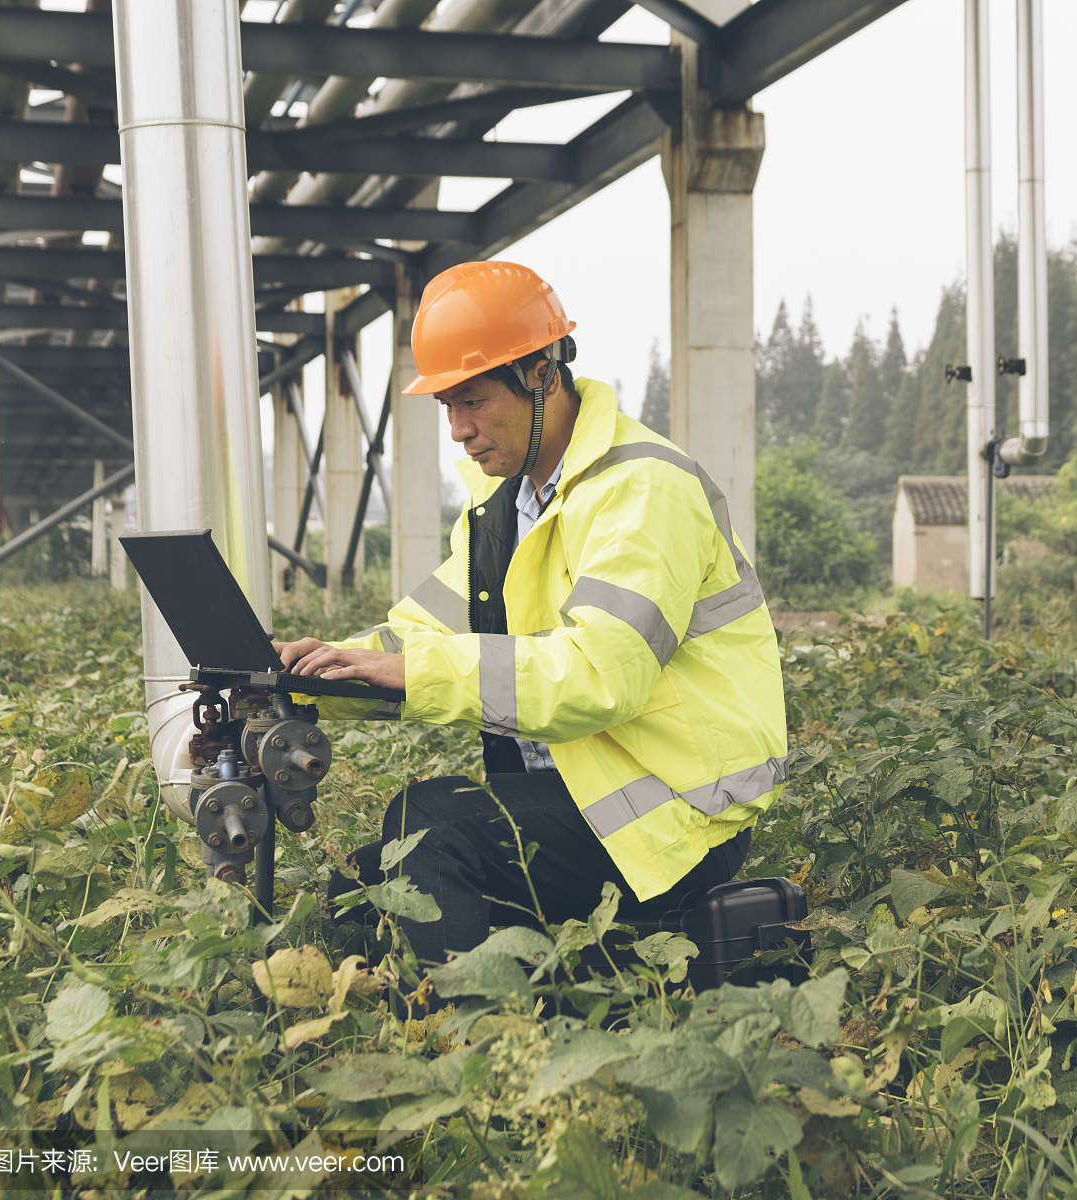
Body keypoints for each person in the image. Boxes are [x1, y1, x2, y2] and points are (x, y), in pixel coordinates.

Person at [277, 260, 787, 969]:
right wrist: (303, 677)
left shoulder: (642, 490)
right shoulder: (505, 506)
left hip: (672, 815)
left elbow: (598, 675)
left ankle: (472, 1025)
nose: (458, 430)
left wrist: (412, 670)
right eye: (446, 405)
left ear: (542, 375)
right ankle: (551, 983)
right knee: (360, 888)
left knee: (429, 825)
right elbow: (419, 635)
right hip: (580, 793)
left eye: (474, 401)